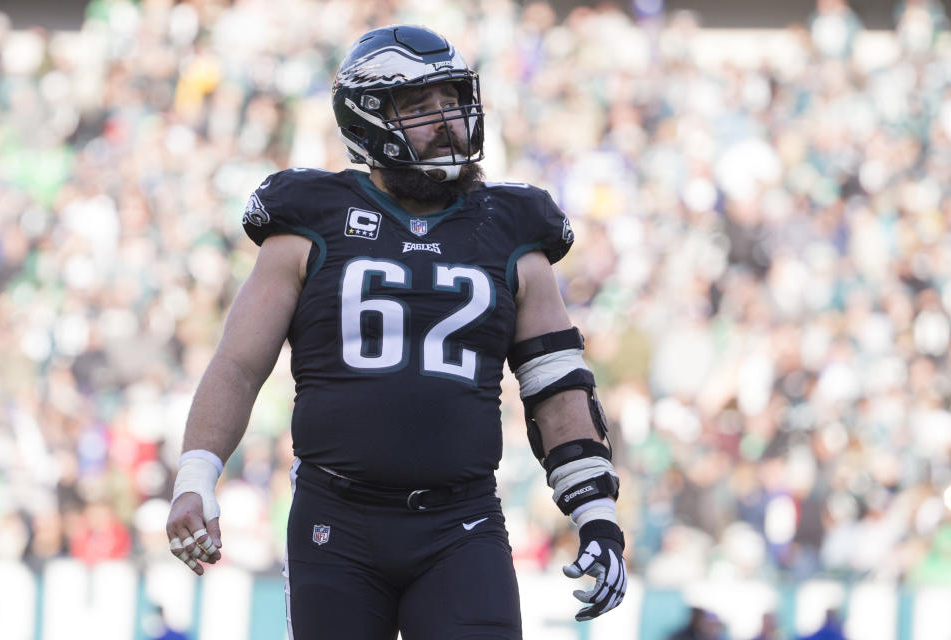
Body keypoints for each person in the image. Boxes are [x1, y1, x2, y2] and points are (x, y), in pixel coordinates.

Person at [165, 24, 627, 639]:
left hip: (461, 521)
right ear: (368, 118)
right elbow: (239, 365)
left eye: (452, 99)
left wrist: (596, 515)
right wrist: (197, 477)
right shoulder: (310, 219)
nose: (446, 119)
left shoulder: (514, 227)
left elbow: (558, 387)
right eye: (419, 105)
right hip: (336, 522)